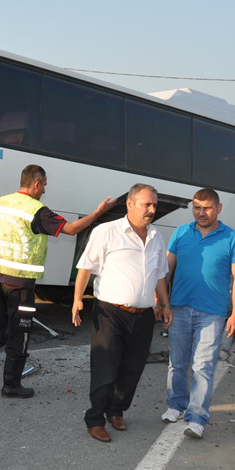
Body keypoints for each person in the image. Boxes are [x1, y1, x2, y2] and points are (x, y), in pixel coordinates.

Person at [0, 164, 115, 398]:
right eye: (44, 185)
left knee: (0, 327)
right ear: (36, 183)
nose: (45, 190)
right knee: (21, 332)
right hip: (20, 283)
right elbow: (71, 229)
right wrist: (98, 213)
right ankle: (11, 385)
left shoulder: (3, 202)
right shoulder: (37, 210)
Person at [72, 184, 172, 442]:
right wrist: (77, 300)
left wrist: (165, 304)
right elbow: (85, 267)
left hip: (144, 314)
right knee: (105, 366)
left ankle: (116, 411)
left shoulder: (156, 237)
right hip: (110, 312)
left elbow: (160, 274)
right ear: (130, 204)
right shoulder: (107, 231)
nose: (151, 210)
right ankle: (95, 419)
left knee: (132, 368)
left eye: (154, 205)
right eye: (146, 204)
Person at [163, 188, 235, 439]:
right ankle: (175, 405)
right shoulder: (181, 233)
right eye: (197, 207)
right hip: (179, 308)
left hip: (213, 313)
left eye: (207, 208)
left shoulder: (232, 238)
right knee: (176, 363)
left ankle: (197, 417)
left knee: (203, 366)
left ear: (218, 209)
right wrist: (162, 302)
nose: (201, 213)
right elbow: (165, 271)